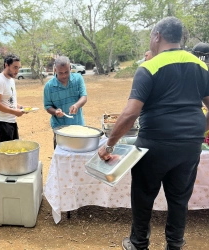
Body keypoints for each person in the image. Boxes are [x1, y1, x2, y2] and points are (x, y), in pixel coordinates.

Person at [98, 17, 209, 250]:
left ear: (157, 36)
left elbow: (130, 114)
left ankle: (138, 243)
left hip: (154, 144)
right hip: (189, 146)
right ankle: (175, 245)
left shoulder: (149, 67)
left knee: (144, 195)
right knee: (179, 198)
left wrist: (109, 145)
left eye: (150, 36)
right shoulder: (201, 66)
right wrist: (198, 129)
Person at [43, 56, 87, 148]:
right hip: (60, 129)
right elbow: (47, 106)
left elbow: (84, 97)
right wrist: (55, 112)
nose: (64, 75)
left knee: (79, 155)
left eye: (66, 72)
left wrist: (76, 105)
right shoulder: (49, 86)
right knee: (61, 156)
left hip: (78, 126)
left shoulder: (78, 79)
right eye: (60, 73)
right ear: (55, 70)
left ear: (70, 68)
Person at [0, 54, 25, 174]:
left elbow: (9, 101)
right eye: (15, 67)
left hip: (11, 121)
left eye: (19, 68)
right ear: (6, 65)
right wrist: (14, 112)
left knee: (13, 150)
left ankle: (8, 179)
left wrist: (19, 107)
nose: (17, 70)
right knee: (3, 153)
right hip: (1, 121)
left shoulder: (10, 80)